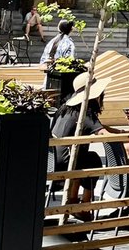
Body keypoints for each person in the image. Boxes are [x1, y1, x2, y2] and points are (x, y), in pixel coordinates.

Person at [50, 73, 119, 205]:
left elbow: (98, 127)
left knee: (84, 157)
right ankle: (84, 205)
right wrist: (127, 138)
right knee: (93, 160)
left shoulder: (66, 109)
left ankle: (73, 198)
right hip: (65, 164)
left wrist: (120, 131)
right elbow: (104, 134)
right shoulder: (83, 113)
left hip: (52, 162)